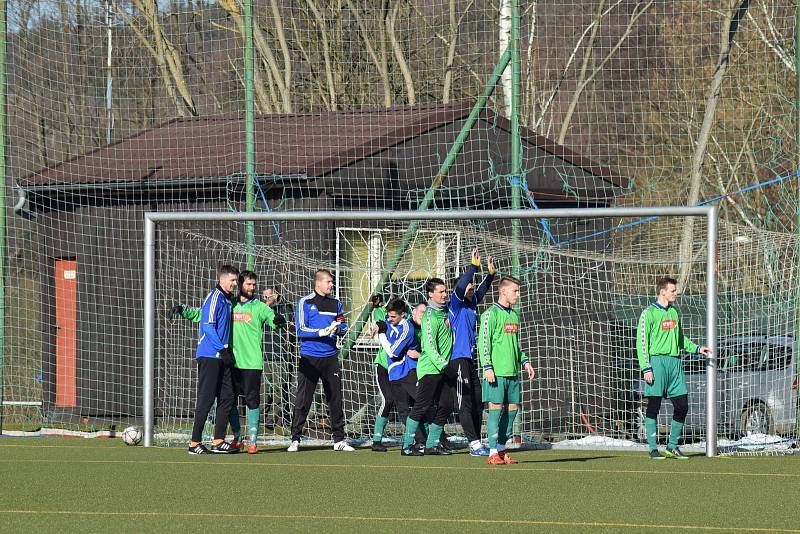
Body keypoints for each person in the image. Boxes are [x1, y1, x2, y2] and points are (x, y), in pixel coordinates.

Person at [173, 271, 287, 454]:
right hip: (230, 361)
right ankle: (235, 438)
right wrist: (184, 310)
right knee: (228, 400)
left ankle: (252, 442)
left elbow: (275, 322)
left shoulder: (260, 307)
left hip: (251, 363)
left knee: (251, 401)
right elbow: (202, 316)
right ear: (240, 284)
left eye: (254, 285)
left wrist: (279, 321)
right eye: (248, 284)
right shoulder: (228, 303)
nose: (252, 288)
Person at [637, 276, 711, 460]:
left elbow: (679, 338)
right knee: (654, 406)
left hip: (675, 364)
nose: (675, 293)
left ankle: (672, 446)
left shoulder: (674, 313)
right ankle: (653, 449)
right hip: (656, 362)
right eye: (672, 290)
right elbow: (641, 343)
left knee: (682, 405)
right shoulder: (649, 313)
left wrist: (696, 348)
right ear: (662, 291)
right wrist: (646, 368)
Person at [289, 269, 354, 452]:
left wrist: (337, 329)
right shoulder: (305, 302)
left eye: (332, 282)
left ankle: (339, 440)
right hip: (309, 357)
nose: (331, 285)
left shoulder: (336, 303)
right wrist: (321, 332)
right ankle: (295, 439)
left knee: (335, 397)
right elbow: (300, 330)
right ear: (318, 283)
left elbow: (343, 325)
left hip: (330, 357)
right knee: (303, 399)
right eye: (328, 282)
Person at [478, 276, 535, 465]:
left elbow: (515, 345)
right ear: (503, 291)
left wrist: (525, 362)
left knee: (512, 411)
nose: (518, 295)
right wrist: (487, 367)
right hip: (495, 372)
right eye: (515, 291)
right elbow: (483, 343)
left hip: (512, 373)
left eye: (518, 291)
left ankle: (502, 450)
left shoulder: (514, 315)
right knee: (495, 411)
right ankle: (492, 451)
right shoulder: (490, 314)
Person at [187, 264, 240, 455]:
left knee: (227, 397)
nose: (235, 284)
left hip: (222, 357)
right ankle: (194, 443)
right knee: (206, 399)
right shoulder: (214, 297)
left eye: (236, 280)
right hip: (210, 356)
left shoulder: (227, 300)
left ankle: (218, 440)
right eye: (233, 280)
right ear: (223, 279)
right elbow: (208, 325)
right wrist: (222, 349)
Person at [448, 248, 495, 457]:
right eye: (469, 284)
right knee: (464, 402)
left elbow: (482, 290)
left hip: (470, 360)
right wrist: (473, 267)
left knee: (478, 399)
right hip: (457, 361)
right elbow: (461, 285)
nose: (472, 286)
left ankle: (476, 441)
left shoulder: (470, 304)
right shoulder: (455, 304)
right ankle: (474, 443)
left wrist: (490, 275)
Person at [400, 278, 454, 456]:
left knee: (446, 405)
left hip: (443, 368)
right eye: (440, 292)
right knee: (421, 407)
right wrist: (443, 364)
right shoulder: (429, 316)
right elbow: (429, 345)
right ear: (430, 294)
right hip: (431, 368)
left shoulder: (445, 312)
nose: (444, 294)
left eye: (445, 291)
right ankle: (407, 446)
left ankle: (432, 444)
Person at [372, 297, 422, 451]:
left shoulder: (411, 328)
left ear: (404, 315)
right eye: (419, 313)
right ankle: (376, 440)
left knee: (414, 403)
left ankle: (420, 439)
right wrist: (378, 323)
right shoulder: (388, 320)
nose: (390, 319)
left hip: (400, 370)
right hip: (383, 366)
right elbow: (381, 319)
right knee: (388, 400)